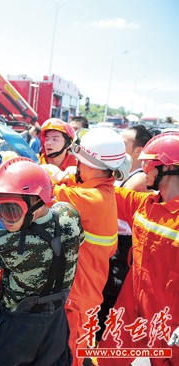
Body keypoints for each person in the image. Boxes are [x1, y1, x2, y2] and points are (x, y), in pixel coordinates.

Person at [0, 157, 84, 366]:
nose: (2, 219)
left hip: (18, 325)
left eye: (10, 210)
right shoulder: (69, 215)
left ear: (36, 203)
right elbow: (78, 240)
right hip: (56, 318)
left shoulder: (7, 242)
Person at [47, 127, 131, 366]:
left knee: (71, 356)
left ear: (91, 164)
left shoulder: (89, 199)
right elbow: (75, 186)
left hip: (78, 297)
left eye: (80, 161)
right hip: (87, 292)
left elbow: (49, 193)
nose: (76, 166)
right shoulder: (101, 192)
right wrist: (64, 174)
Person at [97, 132, 179, 366]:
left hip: (169, 316)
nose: (143, 169)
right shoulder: (145, 205)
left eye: (149, 163)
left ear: (169, 167)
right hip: (132, 303)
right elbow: (104, 195)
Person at [96, 124, 154, 339]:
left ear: (139, 151)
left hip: (123, 245)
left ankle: (102, 346)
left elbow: (112, 201)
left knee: (111, 294)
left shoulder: (139, 178)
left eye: (123, 143)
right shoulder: (122, 172)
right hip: (110, 237)